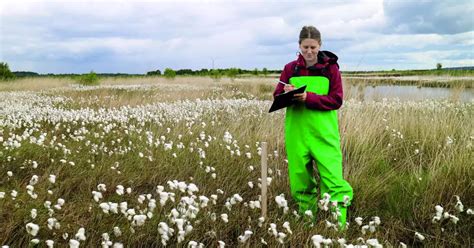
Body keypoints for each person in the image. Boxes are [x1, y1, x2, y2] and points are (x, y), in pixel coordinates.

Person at [273, 26, 353, 230]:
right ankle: (306, 222)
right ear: (299, 46)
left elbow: (336, 100)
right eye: (305, 47)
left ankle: (339, 226)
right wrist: (286, 93)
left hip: (324, 133)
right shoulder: (290, 69)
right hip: (296, 133)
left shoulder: (331, 69)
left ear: (320, 46)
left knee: (334, 179)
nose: (309, 51)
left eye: (313, 47)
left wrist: (309, 97)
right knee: (300, 180)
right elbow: (276, 97)